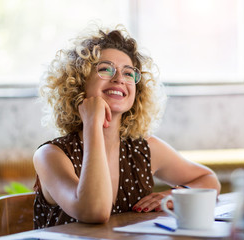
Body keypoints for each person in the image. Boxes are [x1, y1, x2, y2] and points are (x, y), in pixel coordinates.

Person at [33, 25, 221, 229]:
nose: (119, 79)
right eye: (105, 69)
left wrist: (174, 195)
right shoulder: (50, 155)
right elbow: (95, 211)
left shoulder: (144, 149)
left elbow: (209, 180)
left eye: (129, 73)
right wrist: (92, 124)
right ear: (79, 82)